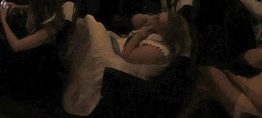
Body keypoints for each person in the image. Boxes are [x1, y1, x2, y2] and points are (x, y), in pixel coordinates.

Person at [62, 9, 191, 115]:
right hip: (121, 50)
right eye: (157, 16)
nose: (155, 18)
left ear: (165, 31)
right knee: (88, 29)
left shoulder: (158, 50)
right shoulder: (154, 32)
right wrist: (146, 19)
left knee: (93, 25)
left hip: (121, 68)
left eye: (159, 20)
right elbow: (134, 21)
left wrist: (140, 34)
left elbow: (127, 55)